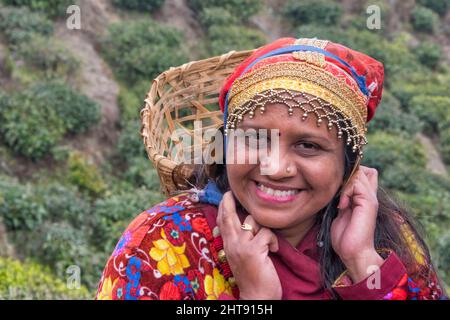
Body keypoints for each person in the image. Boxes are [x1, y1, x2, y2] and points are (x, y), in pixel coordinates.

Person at [95, 37, 446, 300]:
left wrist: (363, 262)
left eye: (308, 146)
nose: (275, 168)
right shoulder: (165, 243)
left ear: (349, 165)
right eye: (255, 140)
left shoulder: (380, 235)